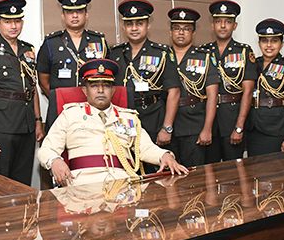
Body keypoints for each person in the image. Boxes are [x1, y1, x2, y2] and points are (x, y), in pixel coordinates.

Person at [37, 58, 189, 186]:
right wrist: (55, 160)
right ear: (85, 91)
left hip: (123, 184)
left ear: (113, 90)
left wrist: (164, 155)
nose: (100, 90)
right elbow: (46, 149)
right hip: (82, 184)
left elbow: (146, 148)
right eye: (94, 86)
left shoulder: (129, 117)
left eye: (106, 86)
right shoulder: (70, 115)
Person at [0, 0, 44, 185]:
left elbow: (33, 87)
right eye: (7, 21)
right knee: (1, 181)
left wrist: (38, 121)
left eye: (17, 21)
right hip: (2, 125)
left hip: (27, 125)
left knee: (23, 180)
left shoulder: (28, 49)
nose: (13, 26)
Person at [109, 0, 180, 151]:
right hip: (122, 119)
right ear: (124, 27)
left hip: (153, 118)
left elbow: (174, 92)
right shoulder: (115, 53)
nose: (134, 28)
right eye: (129, 24)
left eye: (139, 23)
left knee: (154, 162)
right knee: (125, 160)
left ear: (148, 25)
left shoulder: (162, 53)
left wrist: (167, 128)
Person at [36, 0, 109, 130]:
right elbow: (43, 81)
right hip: (61, 110)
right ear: (63, 15)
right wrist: (60, 98)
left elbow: (108, 77)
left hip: (93, 110)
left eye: (79, 11)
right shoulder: (51, 43)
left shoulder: (99, 41)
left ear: (86, 14)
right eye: (70, 12)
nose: (75, 16)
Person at [199, 0, 257, 161]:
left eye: (228, 22)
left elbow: (248, 92)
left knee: (233, 170)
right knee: (209, 169)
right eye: (218, 21)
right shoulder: (203, 52)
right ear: (212, 25)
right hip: (207, 120)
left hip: (232, 118)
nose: (223, 26)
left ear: (235, 26)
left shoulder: (244, 52)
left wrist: (239, 127)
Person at [165, 7, 220, 166]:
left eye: (186, 29)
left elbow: (212, 96)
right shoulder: (162, 56)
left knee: (194, 174)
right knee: (166, 172)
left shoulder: (204, 57)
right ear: (170, 32)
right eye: (177, 28)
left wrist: (207, 128)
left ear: (194, 33)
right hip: (166, 124)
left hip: (194, 124)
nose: (181, 32)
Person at [246, 19, 284, 156]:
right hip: (254, 129)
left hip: (277, 129)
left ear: (281, 43)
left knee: (276, 168)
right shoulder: (253, 64)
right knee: (254, 168)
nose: (269, 45)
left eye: (274, 41)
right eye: (264, 41)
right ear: (259, 43)